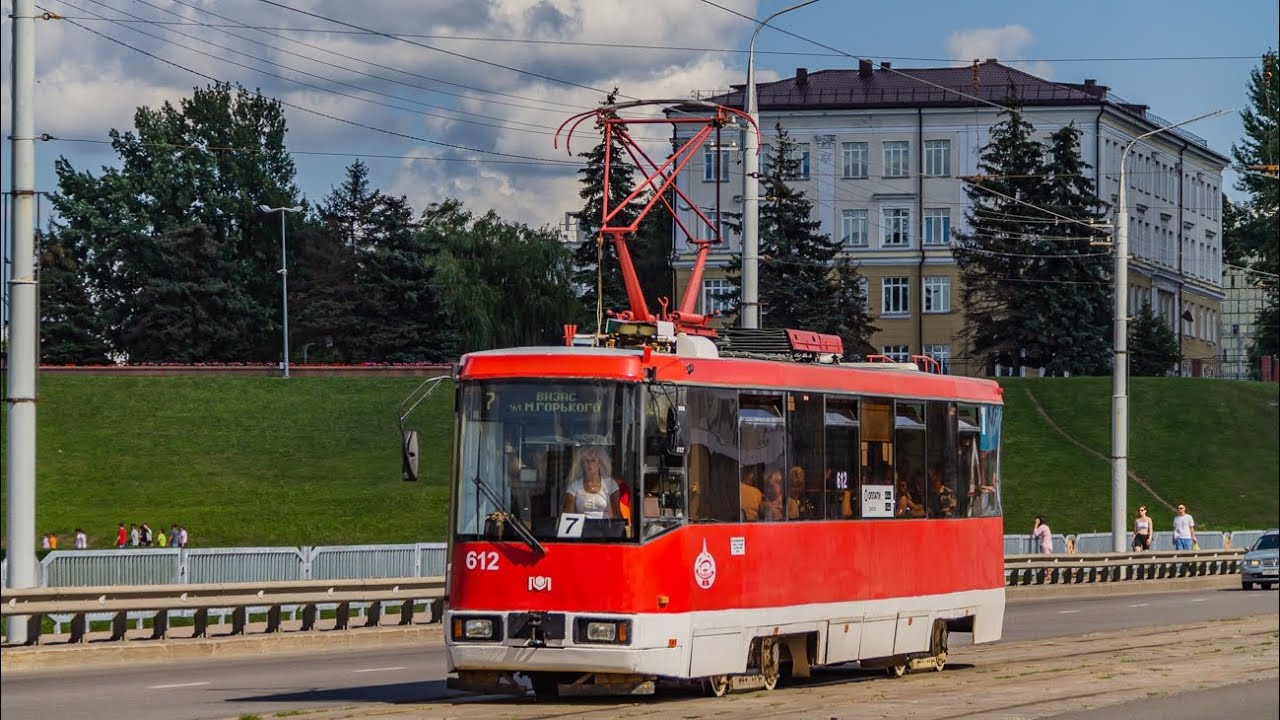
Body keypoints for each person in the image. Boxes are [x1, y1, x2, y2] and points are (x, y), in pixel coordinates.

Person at [561, 447, 622, 519]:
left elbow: (616, 513)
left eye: (593, 460)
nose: (589, 464)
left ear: (599, 463)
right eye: (586, 461)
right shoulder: (574, 487)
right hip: (582, 528)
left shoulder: (610, 484)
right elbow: (568, 515)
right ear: (582, 464)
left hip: (604, 528)